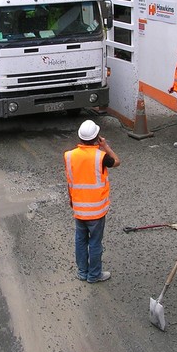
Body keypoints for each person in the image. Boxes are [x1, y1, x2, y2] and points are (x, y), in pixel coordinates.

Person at [64, 120, 120, 284]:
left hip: (79, 208)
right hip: (96, 210)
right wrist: (106, 146)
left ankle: (82, 272)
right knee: (95, 242)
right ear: (96, 138)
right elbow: (117, 161)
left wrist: (71, 200)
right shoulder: (101, 157)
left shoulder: (69, 156)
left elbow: (70, 180)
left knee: (80, 241)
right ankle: (94, 275)